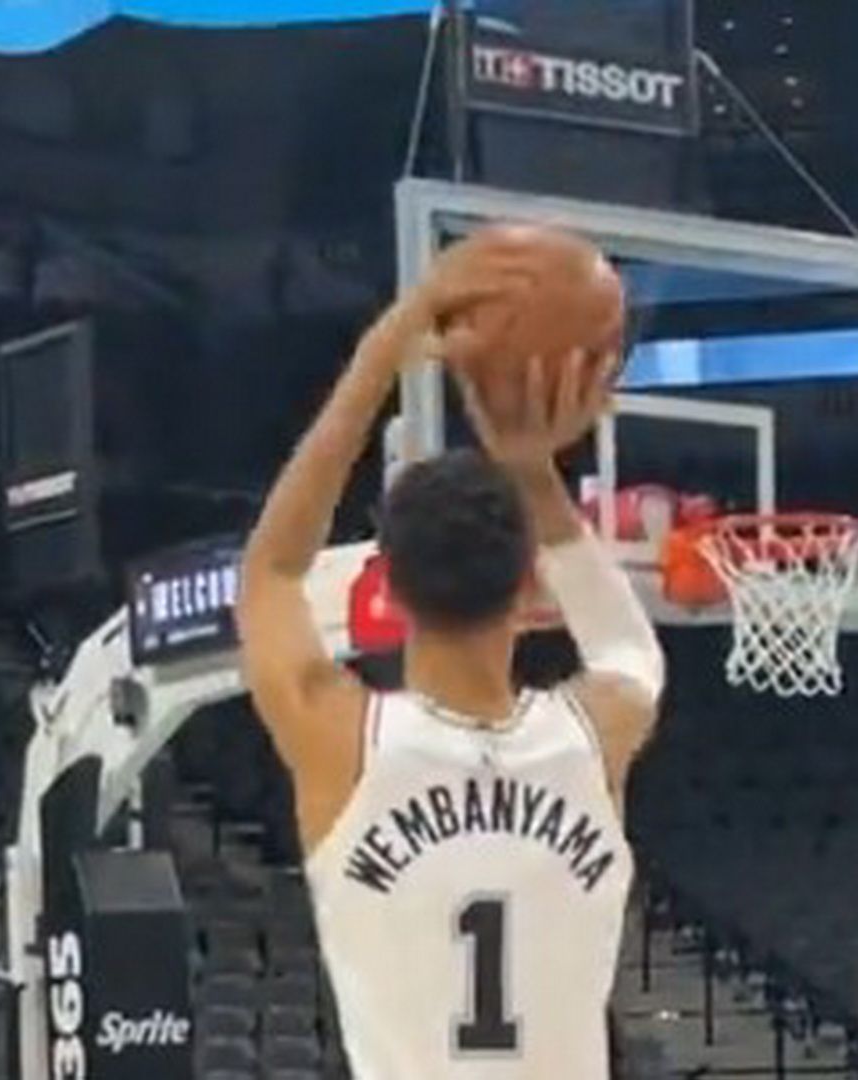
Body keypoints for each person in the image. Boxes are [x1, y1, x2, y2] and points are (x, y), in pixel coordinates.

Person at [236, 236, 665, 1079]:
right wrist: (532, 470)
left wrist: (385, 347)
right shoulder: (593, 738)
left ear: (388, 590)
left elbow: (271, 573)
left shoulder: (343, 746)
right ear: (529, 591)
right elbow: (628, 646)